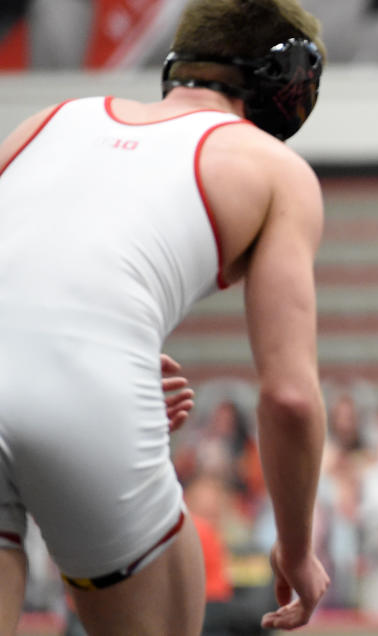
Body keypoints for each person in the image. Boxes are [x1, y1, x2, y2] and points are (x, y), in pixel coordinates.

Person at [0, 1, 330, 633]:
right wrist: (295, 547)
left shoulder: (49, 119)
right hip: (86, 398)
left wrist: (92, 343)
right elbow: (289, 395)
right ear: (290, 81)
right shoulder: (272, 169)